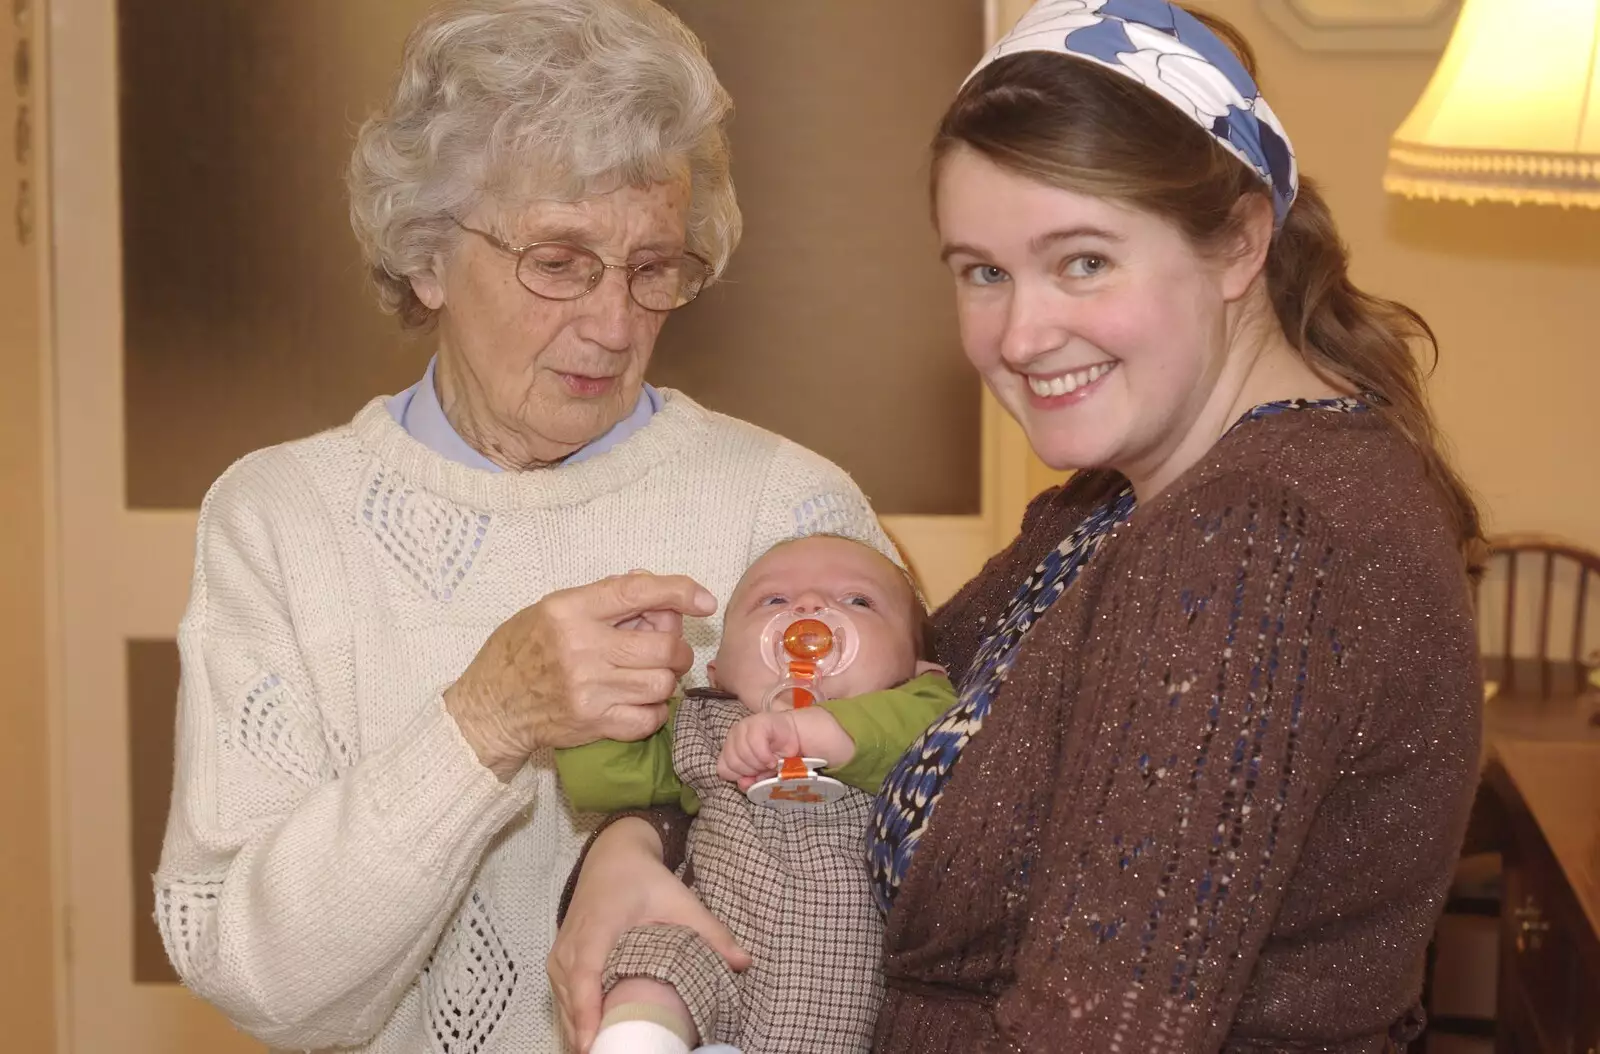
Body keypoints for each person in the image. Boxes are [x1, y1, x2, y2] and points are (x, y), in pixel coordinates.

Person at [551, 2, 1485, 1051]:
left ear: (1238, 241)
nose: (1022, 333)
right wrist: (633, 839)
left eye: (1082, 260)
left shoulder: (1246, 540)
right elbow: (875, 700)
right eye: (983, 273)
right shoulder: (1115, 505)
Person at [152, 2, 897, 1051]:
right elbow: (271, 987)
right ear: (424, 253)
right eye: (559, 260)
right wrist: (484, 721)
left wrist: (638, 838)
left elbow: (913, 876)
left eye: (652, 269)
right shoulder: (280, 520)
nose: (614, 323)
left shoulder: (793, 515)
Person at [556, 534, 953, 1054]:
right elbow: (605, 780)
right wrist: (624, 682)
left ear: (918, 671)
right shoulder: (701, 723)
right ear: (719, 670)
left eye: (858, 600)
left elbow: (938, 725)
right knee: (653, 961)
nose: (810, 608)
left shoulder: (918, 714)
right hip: (714, 957)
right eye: (774, 601)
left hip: (849, 991)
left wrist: (824, 729)